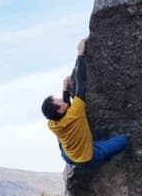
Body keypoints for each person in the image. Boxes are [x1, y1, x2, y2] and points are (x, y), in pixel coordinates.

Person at [42, 38, 129, 167]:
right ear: (59, 110)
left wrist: (65, 90)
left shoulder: (52, 124)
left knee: (61, 143)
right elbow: (81, 83)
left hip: (69, 156)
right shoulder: (76, 111)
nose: (61, 99)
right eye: (59, 101)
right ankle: (103, 159)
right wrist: (80, 54)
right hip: (88, 158)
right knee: (125, 140)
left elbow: (67, 113)